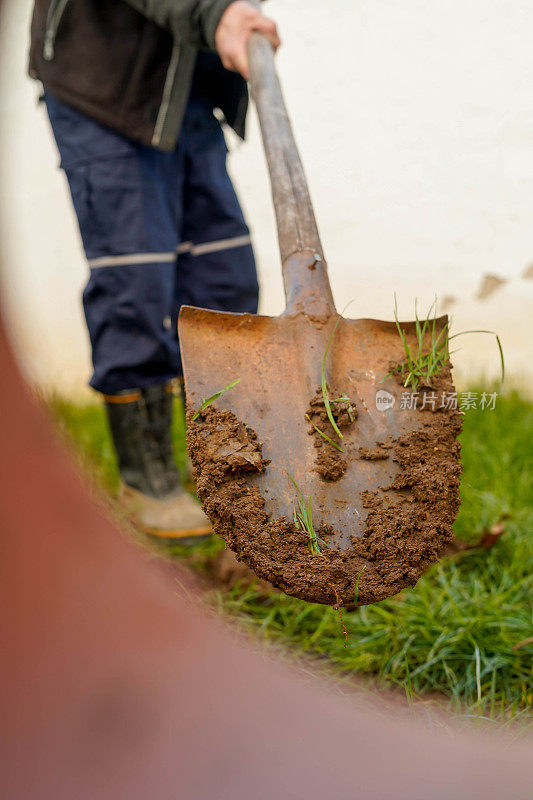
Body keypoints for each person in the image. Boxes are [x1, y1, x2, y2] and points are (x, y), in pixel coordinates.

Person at [29, 0, 280, 539]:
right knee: (136, 285)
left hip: (187, 83)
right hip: (102, 83)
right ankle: (148, 479)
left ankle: (219, 465)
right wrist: (215, 11)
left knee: (226, 281)